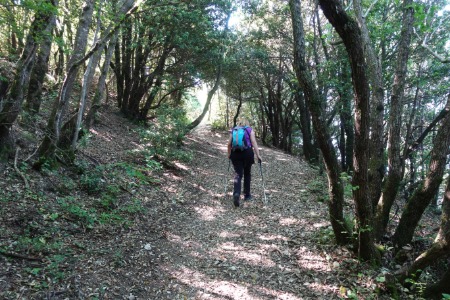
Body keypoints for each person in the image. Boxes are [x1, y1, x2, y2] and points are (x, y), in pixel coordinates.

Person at [227, 119, 262, 207]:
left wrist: (229, 154)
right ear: (247, 123)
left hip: (235, 154)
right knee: (247, 174)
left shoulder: (234, 130)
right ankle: (247, 195)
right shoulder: (249, 129)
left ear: (239, 123)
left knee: (238, 174)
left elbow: (229, 144)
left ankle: (236, 194)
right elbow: (253, 143)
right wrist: (258, 155)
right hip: (247, 153)